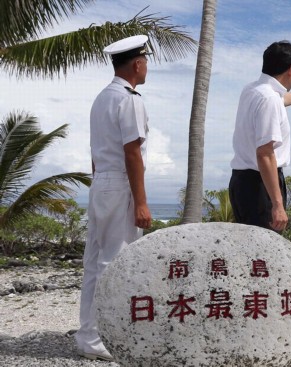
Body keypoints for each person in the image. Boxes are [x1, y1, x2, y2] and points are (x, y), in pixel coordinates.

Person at [74, 35, 153, 361]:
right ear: (137, 64)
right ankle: (101, 339)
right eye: (145, 61)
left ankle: (88, 336)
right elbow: (133, 153)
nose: (147, 67)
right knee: (114, 262)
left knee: (95, 262)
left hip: (102, 182)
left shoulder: (101, 98)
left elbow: (96, 152)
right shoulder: (129, 99)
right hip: (120, 183)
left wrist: (100, 184)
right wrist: (142, 201)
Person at [229, 41, 291, 232]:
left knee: (253, 252)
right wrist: (278, 205)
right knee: (263, 255)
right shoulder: (269, 99)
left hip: (242, 182)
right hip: (260, 186)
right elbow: (265, 153)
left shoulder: (252, 90)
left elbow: (279, 99)